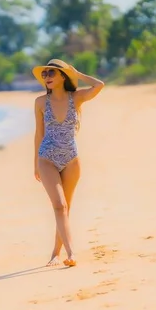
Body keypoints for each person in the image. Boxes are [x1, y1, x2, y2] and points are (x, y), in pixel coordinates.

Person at [32, 59, 105, 267]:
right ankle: (71, 253)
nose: (47, 78)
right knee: (59, 205)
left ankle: (55, 253)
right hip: (47, 158)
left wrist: (78, 73)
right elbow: (39, 134)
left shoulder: (77, 98)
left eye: (51, 73)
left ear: (63, 76)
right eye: (44, 74)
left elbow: (99, 85)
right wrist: (35, 163)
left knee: (66, 207)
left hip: (71, 158)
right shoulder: (40, 102)